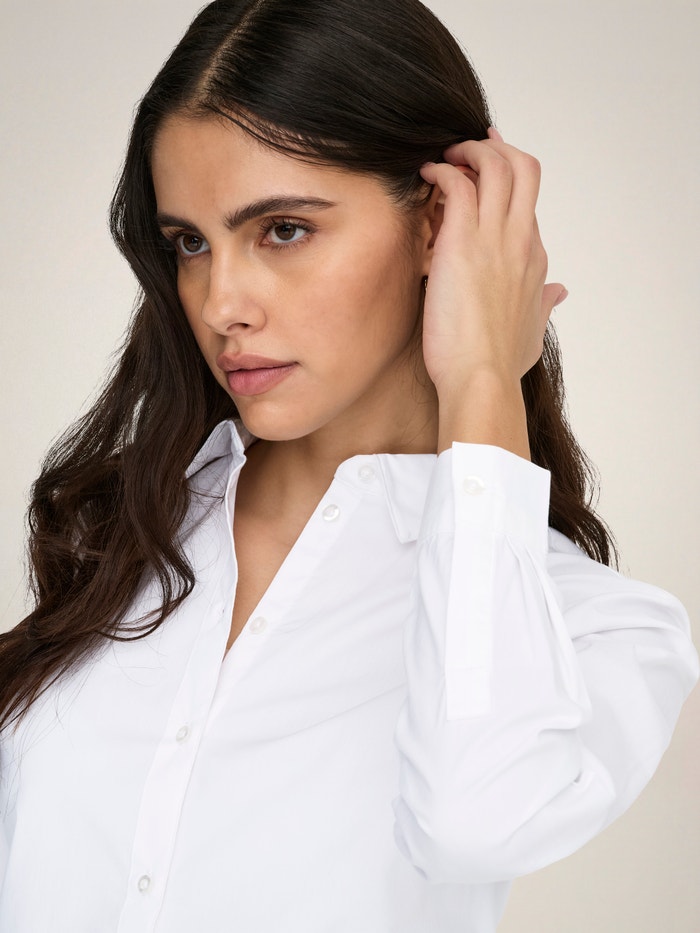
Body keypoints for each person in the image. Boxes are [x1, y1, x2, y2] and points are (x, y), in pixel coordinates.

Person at [0, 0, 696, 930]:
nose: (220, 303)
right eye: (190, 243)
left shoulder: (598, 631)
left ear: (438, 223)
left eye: (283, 228)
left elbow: (473, 822)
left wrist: (482, 377)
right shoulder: (125, 536)